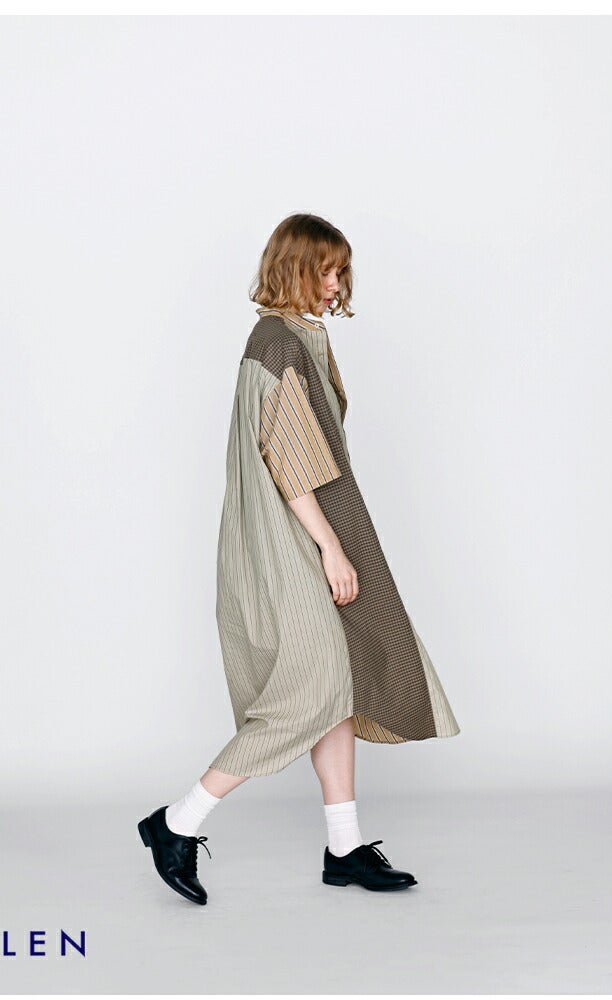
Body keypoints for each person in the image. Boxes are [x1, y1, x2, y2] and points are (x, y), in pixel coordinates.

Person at [138, 213, 460, 905]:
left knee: (336, 687)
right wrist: (332, 547)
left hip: (294, 534)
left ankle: (344, 847)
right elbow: (289, 462)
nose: (335, 284)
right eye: (325, 271)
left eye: (341, 271)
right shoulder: (278, 342)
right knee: (307, 692)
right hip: (288, 542)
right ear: (294, 269)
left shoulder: (296, 338)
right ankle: (177, 822)